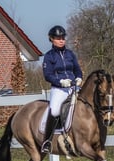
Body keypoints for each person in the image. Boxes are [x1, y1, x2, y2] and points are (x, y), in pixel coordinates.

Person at [41, 25, 83, 153]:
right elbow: (47, 75)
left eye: (63, 37)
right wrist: (60, 82)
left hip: (73, 87)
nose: (61, 40)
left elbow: (77, 69)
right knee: (54, 111)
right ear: (52, 39)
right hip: (59, 89)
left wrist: (79, 78)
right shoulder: (49, 56)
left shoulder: (70, 54)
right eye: (58, 38)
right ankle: (47, 141)